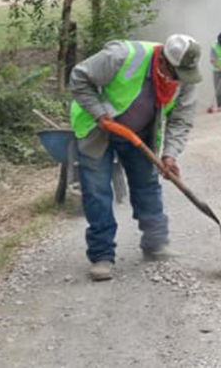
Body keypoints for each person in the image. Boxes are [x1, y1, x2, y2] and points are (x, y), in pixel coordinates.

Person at [69, 34, 202, 282]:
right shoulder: (122, 56)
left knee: (147, 185)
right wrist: (97, 112)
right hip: (97, 128)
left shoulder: (185, 76)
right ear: (162, 61)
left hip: (138, 133)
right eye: (176, 74)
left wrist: (170, 155)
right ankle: (102, 256)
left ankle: (155, 244)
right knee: (97, 191)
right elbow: (78, 77)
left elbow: (181, 119)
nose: (179, 81)